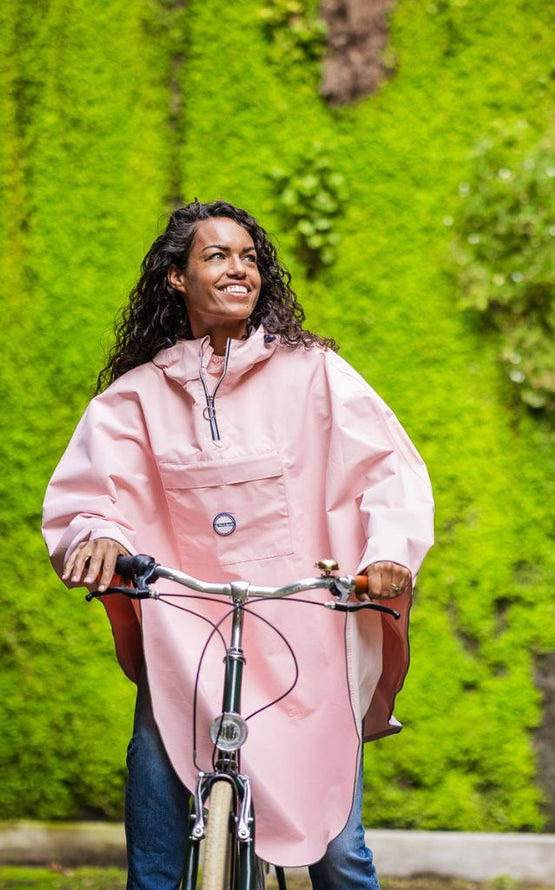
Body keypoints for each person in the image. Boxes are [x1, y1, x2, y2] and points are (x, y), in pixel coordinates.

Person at [42, 199, 435, 890]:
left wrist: (388, 551)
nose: (239, 268)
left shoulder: (315, 374)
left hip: (304, 638)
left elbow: (386, 471)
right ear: (176, 278)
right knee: (156, 847)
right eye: (217, 255)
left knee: (341, 854)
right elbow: (91, 495)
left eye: (250, 257)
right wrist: (95, 536)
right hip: (184, 641)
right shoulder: (136, 398)